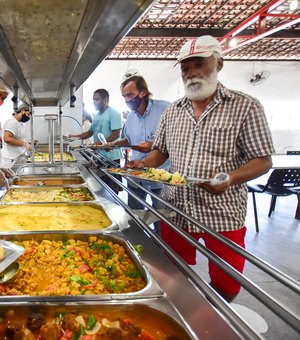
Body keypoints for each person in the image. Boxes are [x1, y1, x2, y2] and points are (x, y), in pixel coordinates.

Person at [126, 35, 274, 301]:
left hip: (222, 212)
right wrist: (142, 164)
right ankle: (187, 316)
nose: (192, 73)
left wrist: (230, 178)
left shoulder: (245, 106)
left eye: (199, 64)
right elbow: (161, 152)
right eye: (186, 68)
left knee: (227, 283)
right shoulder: (173, 112)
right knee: (175, 277)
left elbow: (263, 160)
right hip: (176, 209)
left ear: (218, 63)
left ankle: (216, 319)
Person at [107, 69, 170, 233]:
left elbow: (176, 139)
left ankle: (162, 251)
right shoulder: (131, 117)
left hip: (160, 176)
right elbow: (128, 139)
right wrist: (112, 145)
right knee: (135, 216)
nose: (127, 100)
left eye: (130, 95)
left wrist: (153, 144)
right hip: (136, 176)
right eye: (124, 97)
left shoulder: (166, 109)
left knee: (162, 219)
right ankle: (138, 246)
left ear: (143, 92)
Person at [69, 89, 123, 193]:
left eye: (97, 99)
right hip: (100, 156)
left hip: (112, 156)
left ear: (105, 99)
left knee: (111, 187)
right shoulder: (97, 115)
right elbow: (90, 132)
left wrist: (102, 144)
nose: (94, 102)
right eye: (93, 99)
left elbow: (116, 133)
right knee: (101, 186)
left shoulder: (114, 113)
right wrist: (74, 136)